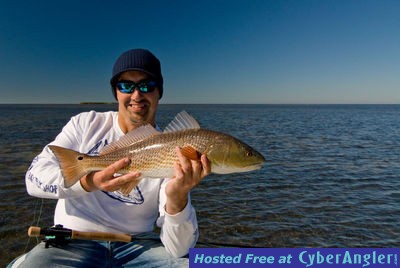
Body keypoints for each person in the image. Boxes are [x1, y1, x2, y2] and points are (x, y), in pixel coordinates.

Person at [8, 48, 211, 267]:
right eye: (126, 85)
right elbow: (33, 179)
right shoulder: (85, 123)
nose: (136, 95)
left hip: (140, 247)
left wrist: (178, 196)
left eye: (146, 85)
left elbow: (178, 250)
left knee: (214, 263)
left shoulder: (175, 150)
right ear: (116, 92)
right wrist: (89, 182)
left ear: (158, 92)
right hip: (71, 242)